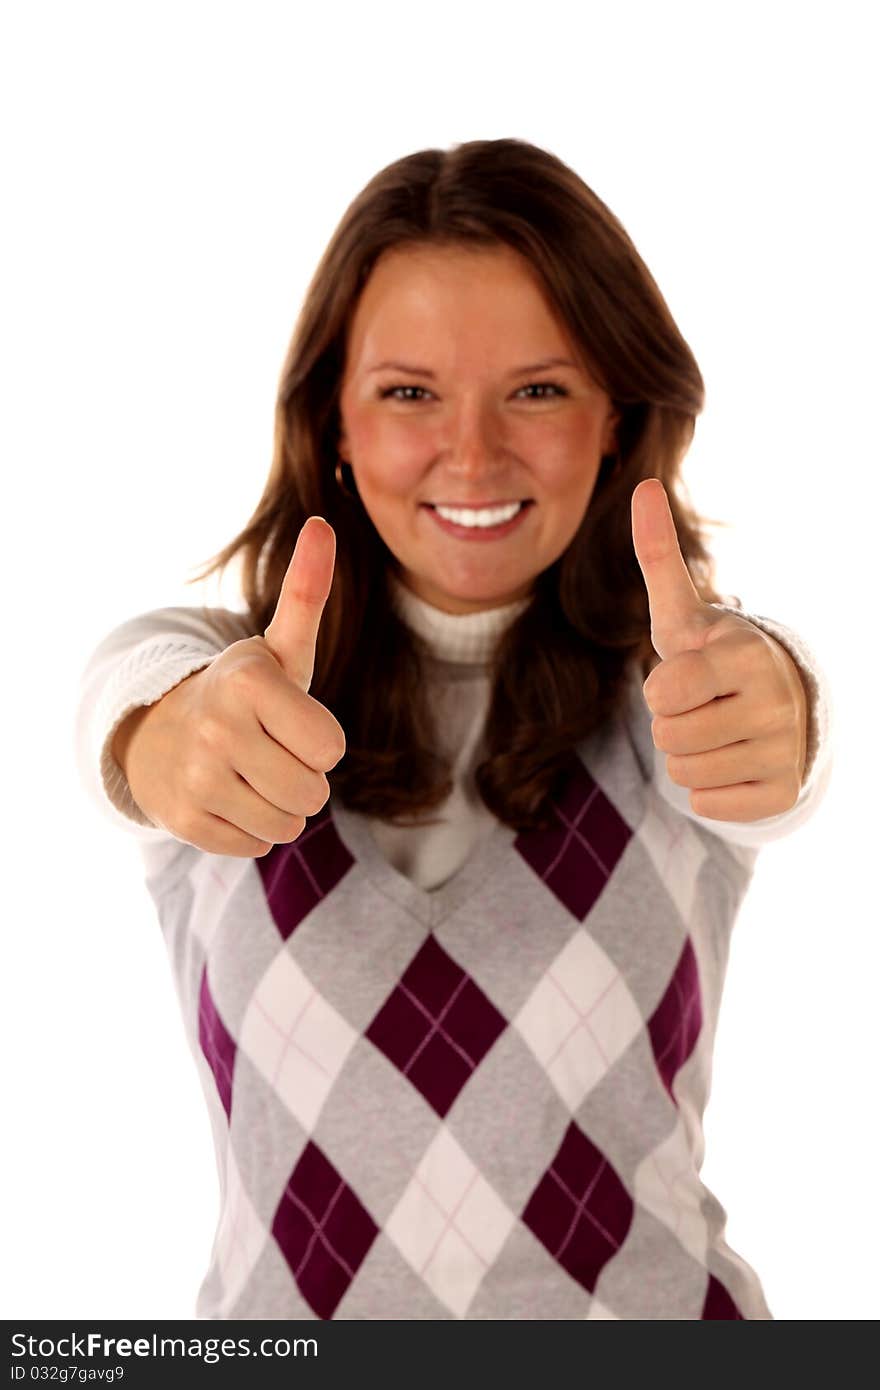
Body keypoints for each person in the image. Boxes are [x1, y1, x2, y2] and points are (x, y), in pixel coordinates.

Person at [74, 137, 832, 1321]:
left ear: (613, 418)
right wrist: (159, 737)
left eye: (537, 388)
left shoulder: (672, 692)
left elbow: (780, 731)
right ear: (333, 417)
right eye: (409, 392)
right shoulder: (228, 684)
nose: (471, 455)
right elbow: (133, 705)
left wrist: (791, 700)